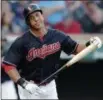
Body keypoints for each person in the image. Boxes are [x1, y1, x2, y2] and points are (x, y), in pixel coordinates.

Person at [1, 3, 102, 99]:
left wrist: (90, 44)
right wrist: (23, 83)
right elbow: (8, 65)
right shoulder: (21, 41)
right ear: (28, 23)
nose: (36, 19)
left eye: (37, 15)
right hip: (29, 87)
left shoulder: (57, 35)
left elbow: (76, 49)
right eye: (31, 18)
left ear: (42, 16)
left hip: (49, 86)